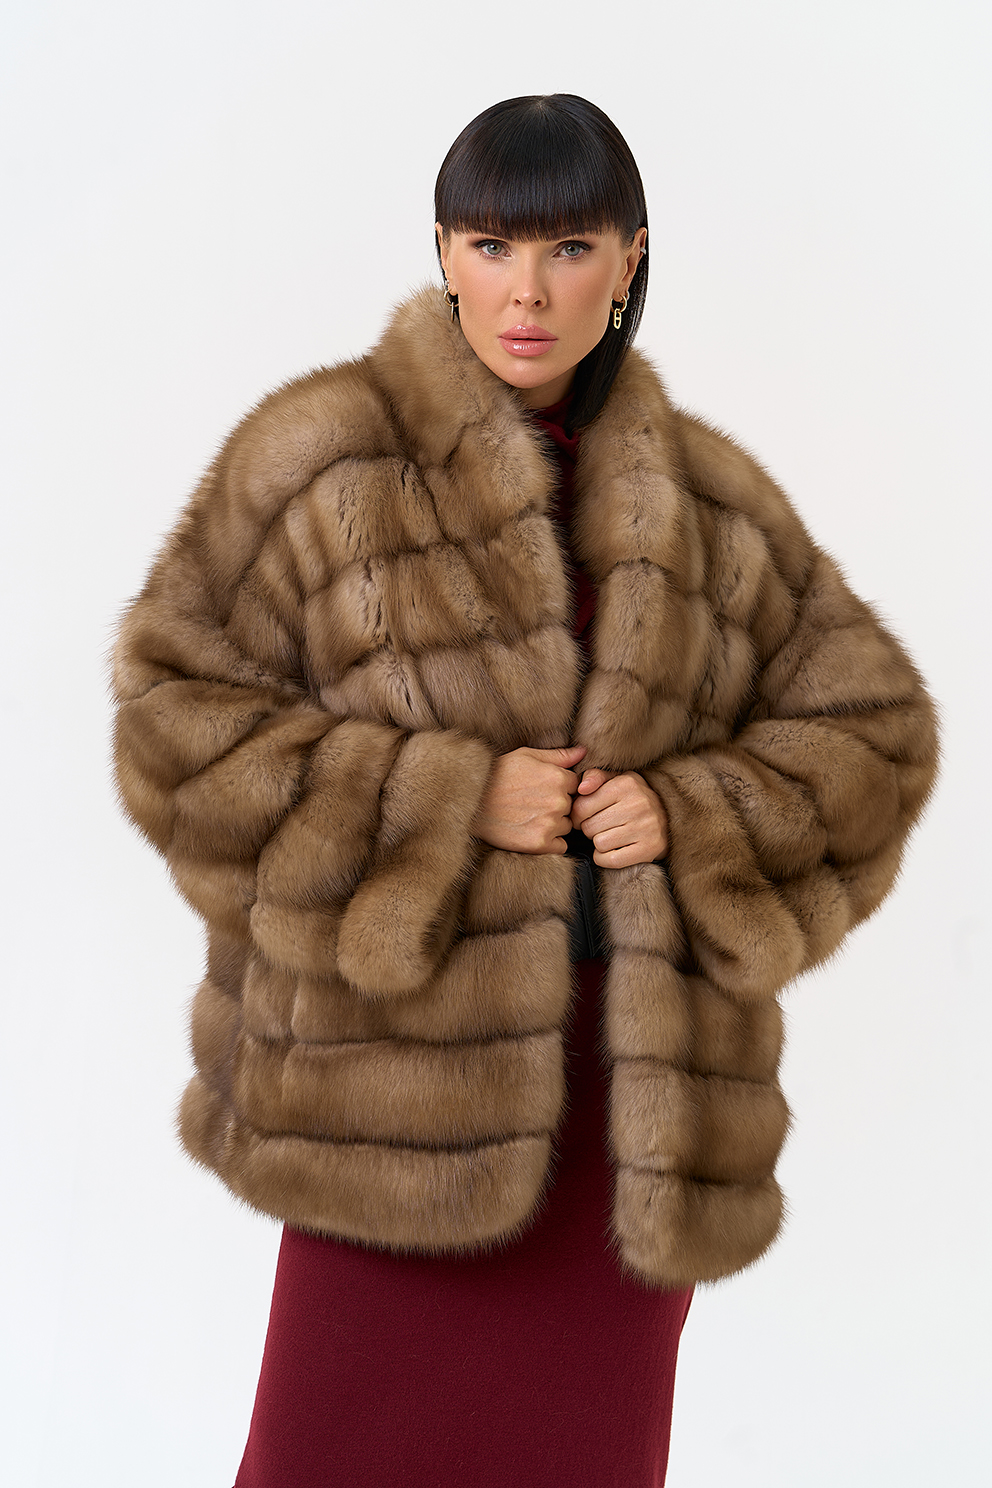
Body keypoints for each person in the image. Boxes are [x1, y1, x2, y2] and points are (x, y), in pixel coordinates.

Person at [112, 95, 938, 1487]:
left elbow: (876, 734)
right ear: (445, 252)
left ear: (629, 259)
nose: (529, 291)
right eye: (494, 245)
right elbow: (173, 718)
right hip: (381, 1112)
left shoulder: (710, 504)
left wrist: (691, 813)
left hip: (627, 1125)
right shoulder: (324, 457)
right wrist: (442, 802)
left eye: (569, 247)